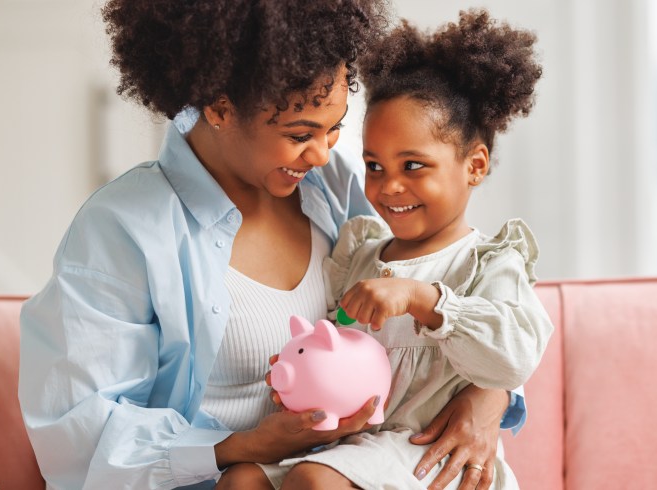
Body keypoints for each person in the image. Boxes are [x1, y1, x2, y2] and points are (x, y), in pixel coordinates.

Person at [18, 1, 530, 489]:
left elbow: (460, 285)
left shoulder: (337, 188)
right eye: (300, 132)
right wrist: (242, 446)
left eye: (334, 128)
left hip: (358, 466)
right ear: (219, 109)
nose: (324, 152)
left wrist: (490, 396)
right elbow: (79, 441)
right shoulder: (122, 230)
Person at [222, 9, 552, 489]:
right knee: (243, 480)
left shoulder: (489, 262)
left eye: (413, 165)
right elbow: (333, 337)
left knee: (316, 483)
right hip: (352, 447)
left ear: (474, 165)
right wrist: (303, 365)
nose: (389, 187)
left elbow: (515, 357)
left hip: (427, 454)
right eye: (374, 166)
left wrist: (424, 299)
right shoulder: (360, 253)